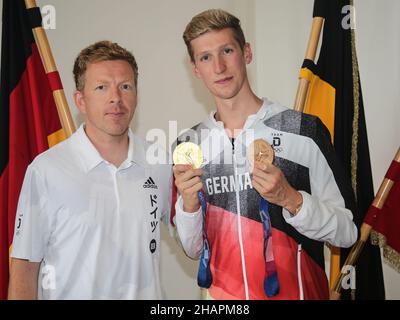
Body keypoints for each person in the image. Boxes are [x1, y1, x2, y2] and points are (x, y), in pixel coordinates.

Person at [173, 9, 358, 300]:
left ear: (246, 53)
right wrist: (188, 205)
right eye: (206, 57)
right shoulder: (189, 144)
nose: (219, 66)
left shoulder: (303, 130)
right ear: (195, 68)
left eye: (227, 50)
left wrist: (291, 199)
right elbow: (193, 248)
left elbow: (348, 231)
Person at [8, 41, 172, 299]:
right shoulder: (46, 170)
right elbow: (24, 270)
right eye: (101, 87)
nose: (115, 98)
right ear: (81, 101)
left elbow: (193, 244)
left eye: (125, 86)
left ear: (136, 95)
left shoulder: (160, 162)